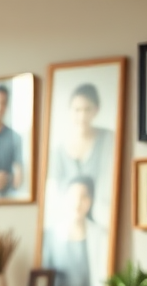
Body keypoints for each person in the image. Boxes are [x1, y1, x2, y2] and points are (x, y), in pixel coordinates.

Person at [46, 83, 115, 230]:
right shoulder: (59, 150)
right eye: (77, 110)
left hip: (104, 219)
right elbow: (55, 193)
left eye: (87, 109)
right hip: (70, 222)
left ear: (96, 110)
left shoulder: (109, 140)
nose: (82, 116)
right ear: (70, 111)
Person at [41, 175, 108, 286]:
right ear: (65, 198)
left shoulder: (101, 236)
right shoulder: (50, 236)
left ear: (91, 200)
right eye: (73, 196)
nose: (77, 202)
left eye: (84, 197)